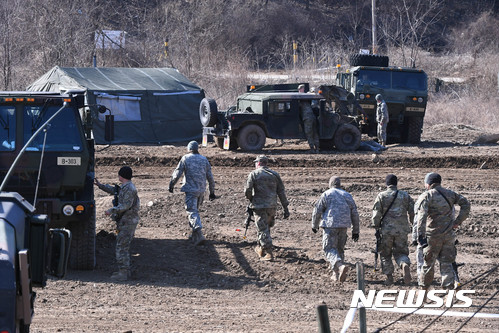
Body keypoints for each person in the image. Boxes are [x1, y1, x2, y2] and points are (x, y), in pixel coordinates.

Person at [416, 172, 470, 290]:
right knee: (447, 264)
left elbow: (421, 217)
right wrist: (458, 221)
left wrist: (420, 235)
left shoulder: (427, 196)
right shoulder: (450, 194)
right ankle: (449, 291)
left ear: (428, 183)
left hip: (432, 236)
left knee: (428, 264)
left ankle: (423, 291)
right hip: (448, 235)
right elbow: (466, 204)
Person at [94, 166, 140, 281]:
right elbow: (114, 190)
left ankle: (123, 273)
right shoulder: (126, 187)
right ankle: (125, 271)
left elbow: (125, 205)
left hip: (128, 221)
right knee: (123, 246)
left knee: (121, 247)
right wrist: (100, 185)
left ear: (121, 176)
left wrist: (111, 210)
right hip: (126, 220)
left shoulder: (129, 189)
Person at [312, 176, 360, 282]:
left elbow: (317, 210)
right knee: (339, 249)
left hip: (330, 225)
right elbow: (355, 213)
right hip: (343, 226)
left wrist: (314, 225)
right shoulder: (347, 195)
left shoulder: (326, 194)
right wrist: (355, 231)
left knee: (329, 248)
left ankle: (340, 266)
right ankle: (336, 274)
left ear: (330, 184)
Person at [169, 141, 216, 246]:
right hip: (201, 191)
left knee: (192, 212)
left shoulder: (186, 158)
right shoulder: (204, 160)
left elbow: (177, 173)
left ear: (188, 148)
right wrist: (212, 192)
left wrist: (172, 184)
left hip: (191, 190)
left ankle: (199, 233)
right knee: (196, 212)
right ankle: (194, 235)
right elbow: (210, 178)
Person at [245, 155, 290, 261]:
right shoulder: (275, 175)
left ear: (259, 163)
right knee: (266, 227)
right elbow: (281, 192)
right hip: (272, 206)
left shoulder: (254, 174)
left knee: (262, 229)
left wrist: (251, 199)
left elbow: (247, 190)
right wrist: (285, 208)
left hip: (259, 206)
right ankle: (261, 248)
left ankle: (269, 253)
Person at [372, 174, 414, 285]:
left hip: (386, 231)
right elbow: (412, 211)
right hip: (402, 230)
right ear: (396, 183)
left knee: (385, 254)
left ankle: (389, 278)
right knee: (401, 252)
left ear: (386, 184)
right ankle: (404, 264)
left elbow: (376, 214)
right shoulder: (405, 195)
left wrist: (376, 226)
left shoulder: (381, 196)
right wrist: (413, 223)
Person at [298, 84, 320, 153]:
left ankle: (312, 149)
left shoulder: (301, 97)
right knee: (314, 133)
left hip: (307, 118)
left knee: (309, 133)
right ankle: (317, 148)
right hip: (312, 117)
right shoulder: (307, 97)